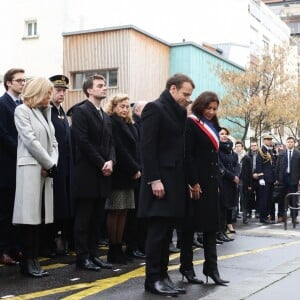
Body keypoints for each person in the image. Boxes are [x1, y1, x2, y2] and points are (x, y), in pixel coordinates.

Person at [138, 73, 195, 296]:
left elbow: (181, 149)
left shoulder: (179, 111)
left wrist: (189, 181)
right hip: (160, 180)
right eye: (185, 94)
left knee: (167, 233)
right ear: (172, 89)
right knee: (157, 232)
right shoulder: (155, 108)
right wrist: (154, 179)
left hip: (175, 180)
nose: (188, 99)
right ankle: (152, 279)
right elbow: (147, 147)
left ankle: (163, 275)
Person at [180, 91, 229, 287]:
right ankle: (186, 267)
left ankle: (211, 268)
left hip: (211, 182)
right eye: (208, 108)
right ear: (200, 105)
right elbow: (188, 154)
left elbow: (214, 157)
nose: (211, 111)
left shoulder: (213, 125)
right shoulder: (191, 123)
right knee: (189, 227)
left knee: (211, 226)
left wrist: (216, 182)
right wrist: (194, 182)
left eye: (214, 109)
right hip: (196, 182)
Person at [13, 77, 58, 277]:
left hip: (44, 170)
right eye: (47, 92)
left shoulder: (45, 112)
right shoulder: (22, 110)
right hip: (31, 169)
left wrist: (51, 164)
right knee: (28, 218)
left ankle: (34, 260)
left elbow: (54, 142)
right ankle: (27, 262)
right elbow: (30, 140)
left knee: (39, 217)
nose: (50, 96)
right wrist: (49, 164)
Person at [71, 75, 115, 271]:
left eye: (104, 85)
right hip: (87, 173)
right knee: (84, 218)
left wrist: (112, 161)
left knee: (97, 217)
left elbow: (111, 143)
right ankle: (82, 257)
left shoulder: (105, 115)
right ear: (89, 90)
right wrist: (101, 163)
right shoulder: (81, 112)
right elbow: (83, 141)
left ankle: (94, 254)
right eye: (100, 86)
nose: (104, 88)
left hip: (103, 173)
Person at [104, 94, 141, 264]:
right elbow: (119, 148)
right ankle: (114, 248)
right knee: (115, 211)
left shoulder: (129, 124)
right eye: (121, 106)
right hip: (119, 173)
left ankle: (120, 246)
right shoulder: (112, 122)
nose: (125, 109)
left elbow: (136, 149)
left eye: (127, 106)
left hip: (130, 174)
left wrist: (137, 168)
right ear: (113, 106)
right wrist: (134, 168)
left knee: (124, 211)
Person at [40, 75, 73, 256]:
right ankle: (46, 244)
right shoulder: (47, 111)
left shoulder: (61, 112)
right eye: (57, 91)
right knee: (49, 208)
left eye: (63, 91)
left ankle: (56, 242)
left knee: (61, 207)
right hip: (51, 166)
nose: (61, 94)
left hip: (64, 168)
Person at [0, 68, 25, 265]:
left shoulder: (22, 104)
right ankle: (3, 250)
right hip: (7, 165)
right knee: (5, 210)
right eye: (19, 81)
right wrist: (20, 151)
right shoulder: (2, 104)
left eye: (24, 81)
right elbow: (3, 134)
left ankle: (14, 247)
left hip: (21, 166)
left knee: (18, 209)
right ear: (9, 82)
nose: (22, 84)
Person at [124, 101, 147, 259]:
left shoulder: (142, 125)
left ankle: (139, 245)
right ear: (138, 110)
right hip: (135, 174)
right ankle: (133, 246)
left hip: (142, 172)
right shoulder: (136, 125)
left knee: (140, 214)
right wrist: (136, 168)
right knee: (134, 215)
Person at [219, 128, 240, 235]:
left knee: (230, 204)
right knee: (223, 205)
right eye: (222, 134)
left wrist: (236, 175)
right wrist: (232, 177)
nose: (224, 136)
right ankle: (222, 229)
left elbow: (237, 164)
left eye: (226, 134)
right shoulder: (217, 149)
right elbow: (220, 166)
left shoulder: (232, 151)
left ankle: (229, 224)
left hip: (232, 181)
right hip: (223, 181)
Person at [275, 136, 300, 224]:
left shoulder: (298, 153)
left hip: (294, 178)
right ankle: (281, 216)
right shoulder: (281, 154)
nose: (290, 143)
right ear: (286, 143)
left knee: (293, 198)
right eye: (288, 142)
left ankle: (294, 217)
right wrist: (277, 178)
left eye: (291, 142)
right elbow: (277, 166)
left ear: (294, 143)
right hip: (283, 178)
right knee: (282, 198)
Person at [256, 134, 276, 224]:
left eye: (270, 139)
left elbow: (272, 165)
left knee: (269, 199)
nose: (269, 141)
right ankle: (263, 217)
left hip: (270, 179)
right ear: (264, 141)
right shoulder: (261, 151)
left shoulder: (270, 150)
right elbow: (259, 165)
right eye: (267, 139)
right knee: (264, 199)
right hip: (264, 179)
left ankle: (267, 216)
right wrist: (261, 177)